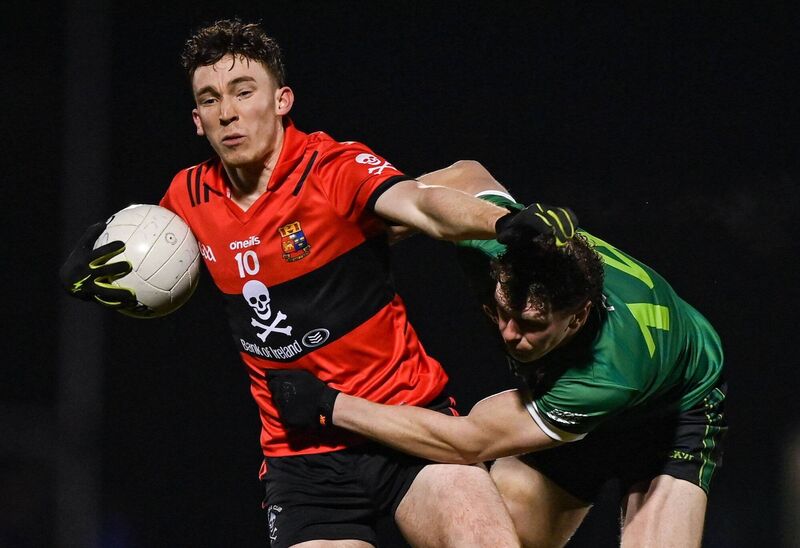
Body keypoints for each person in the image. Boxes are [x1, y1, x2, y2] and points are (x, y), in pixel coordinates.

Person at [57, 19, 579, 548]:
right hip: (303, 463)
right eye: (210, 100)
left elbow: (420, 204)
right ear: (197, 120)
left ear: (282, 100)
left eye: (243, 92)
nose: (229, 113)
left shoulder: (335, 168)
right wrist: (96, 268)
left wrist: (501, 223)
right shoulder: (186, 199)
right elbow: (148, 263)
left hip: (410, 427)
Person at [268, 161, 727, 547]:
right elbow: (466, 173)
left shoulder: (607, 374)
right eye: (503, 313)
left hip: (672, 417)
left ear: (578, 316)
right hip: (572, 399)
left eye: (531, 326)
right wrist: (384, 225)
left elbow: (466, 441)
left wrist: (330, 406)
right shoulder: (499, 250)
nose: (510, 335)